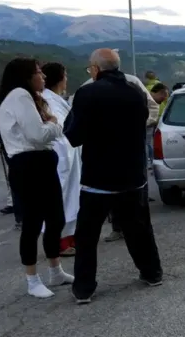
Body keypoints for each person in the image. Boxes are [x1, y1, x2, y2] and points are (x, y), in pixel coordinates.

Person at [65, 48, 163, 304]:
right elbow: (144, 121)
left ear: (96, 69)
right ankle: (152, 273)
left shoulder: (87, 93)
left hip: (98, 178)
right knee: (139, 228)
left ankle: (84, 288)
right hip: (132, 174)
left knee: (87, 236)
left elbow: (74, 136)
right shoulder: (136, 92)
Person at [0, 58, 74, 298]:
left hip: (42, 162)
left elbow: (42, 132)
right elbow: (38, 135)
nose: (44, 77)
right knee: (32, 223)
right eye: (39, 72)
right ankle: (32, 279)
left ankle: (55, 270)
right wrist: (54, 124)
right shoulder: (19, 95)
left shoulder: (33, 98)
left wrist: (49, 125)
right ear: (26, 76)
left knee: (55, 218)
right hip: (28, 164)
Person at [75, 71, 159, 242]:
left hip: (129, 151)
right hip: (102, 157)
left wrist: (137, 125)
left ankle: (134, 230)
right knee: (106, 194)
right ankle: (118, 227)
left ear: (96, 67)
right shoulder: (87, 87)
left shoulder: (132, 83)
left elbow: (152, 106)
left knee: (133, 197)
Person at [41, 62, 81, 258]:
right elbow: (56, 128)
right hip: (62, 156)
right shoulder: (47, 100)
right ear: (59, 78)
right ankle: (59, 242)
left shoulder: (55, 99)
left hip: (70, 155)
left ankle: (70, 237)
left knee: (71, 197)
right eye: (65, 75)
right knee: (62, 198)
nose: (67, 79)